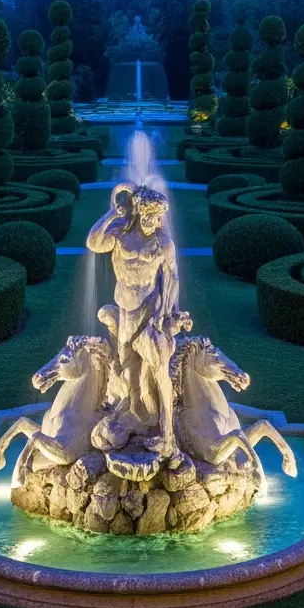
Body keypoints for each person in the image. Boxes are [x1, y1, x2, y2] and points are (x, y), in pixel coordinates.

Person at [86, 179, 188, 454]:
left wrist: (168, 312)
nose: (156, 221)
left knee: (159, 370)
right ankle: (138, 415)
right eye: (152, 216)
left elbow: (173, 278)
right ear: (140, 212)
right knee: (129, 369)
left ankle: (168, 436)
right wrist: (111, 213)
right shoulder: (119, 234)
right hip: (126, 311)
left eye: (159, 217)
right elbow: (93, 243)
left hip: (152, 311)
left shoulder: (163, 243)